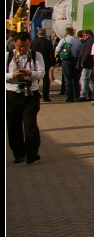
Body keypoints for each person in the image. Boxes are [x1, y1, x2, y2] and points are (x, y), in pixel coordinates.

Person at [6, 32, 45, 164]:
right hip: (12, 94)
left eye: (26, 46)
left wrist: (30, 73)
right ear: (14, 44)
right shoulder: (8, 56)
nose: (23, 49)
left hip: (30, 95)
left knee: (30, 124)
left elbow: (41, 72)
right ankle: (18, 153)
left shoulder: (36, 55)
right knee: (13, 126)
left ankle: (32, 153)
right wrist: (12, 75)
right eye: (20, 46)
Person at [54, 27, 81, 102]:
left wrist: (58, 56)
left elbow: (57, 49)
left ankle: (70, 96)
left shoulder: (64, 40)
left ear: (66, 33)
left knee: (68, 79)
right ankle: (77, 94)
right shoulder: (78, 41)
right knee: (75, 79)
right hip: (75, 60)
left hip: (66, 61)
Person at [30, 29, 55, 102]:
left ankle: (35, 94)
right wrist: (52, 63)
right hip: (45, 63)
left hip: (35, 63)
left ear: (38, 34)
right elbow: (51, 53)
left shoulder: (33, 42)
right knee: (46, 79)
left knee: (35, 79)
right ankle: (45, 96)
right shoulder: (48, 42)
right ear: (45, 34)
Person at [78, 30, 94, 102]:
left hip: (88, 64)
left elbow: (87, 52)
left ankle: (83, 95)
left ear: (88, 34)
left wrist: (83, 62)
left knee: (85, 79)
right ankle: (92, 94)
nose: (83, 37)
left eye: (84, 35)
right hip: (89, 63)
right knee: (89, 80)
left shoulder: (90, 40)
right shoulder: (90, 40)